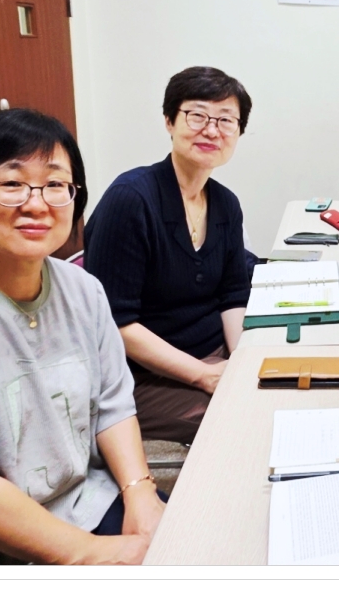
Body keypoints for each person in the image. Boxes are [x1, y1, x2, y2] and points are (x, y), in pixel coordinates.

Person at [0, 110, 165, 564]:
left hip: (87, 501)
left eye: (55, 184)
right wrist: (93, 554)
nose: (37, 204)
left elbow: (113, 405)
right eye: (11, 184)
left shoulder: (83, 288)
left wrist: (140, 492)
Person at [83, 67, 252, 445]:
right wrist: (204, 375)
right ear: (169, 121)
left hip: (212, 354)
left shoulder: (225, 204)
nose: (212, 130)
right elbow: (116, 323)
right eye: (197, 115)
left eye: (226, 120)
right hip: (141, 375)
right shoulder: (131, 199)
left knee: (275, 386)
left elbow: (233, 296)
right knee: (243, 417)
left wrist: (240, 360)